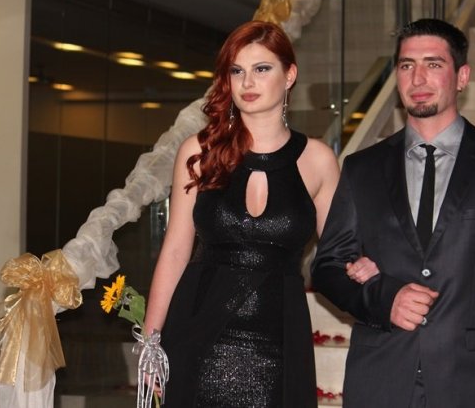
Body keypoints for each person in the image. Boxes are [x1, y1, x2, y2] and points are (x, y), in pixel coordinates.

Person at [311, 18, 475, 407]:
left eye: (434, 64)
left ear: (462, 77)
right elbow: (326, 268)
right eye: (407, 65)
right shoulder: (362, 168)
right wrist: (384, 298)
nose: (418, 78)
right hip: (380, 383)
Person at [143, 20, 340, 407]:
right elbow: (176, 250)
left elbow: (338, 254)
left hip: (280, 336)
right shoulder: (198, 152)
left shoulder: (318, 160)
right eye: (237, 71)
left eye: (261, 69)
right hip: (198, 330)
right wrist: (152, 340)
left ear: (290, 75)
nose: (247, 82)